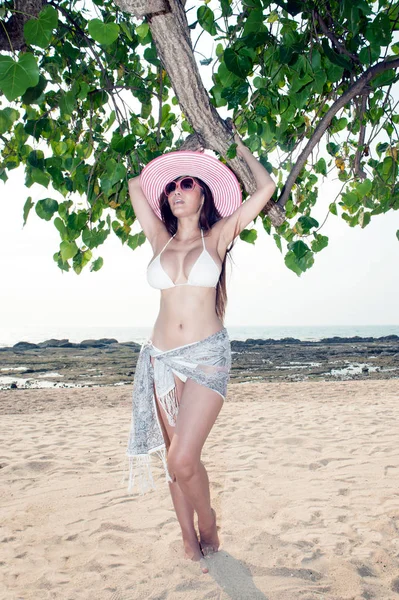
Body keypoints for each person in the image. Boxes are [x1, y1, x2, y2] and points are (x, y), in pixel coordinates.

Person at [126, 132, 276, 573]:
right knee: (176, 462)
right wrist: (174, 159)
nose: (175, 191)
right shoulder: (159, 238)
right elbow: (138, 185)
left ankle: (208, 524)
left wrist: (234, 146)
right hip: (160, 360)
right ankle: (189, 540)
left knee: (181, 458)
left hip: (207, 357)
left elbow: (264, 189)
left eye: (186, 183)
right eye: (171, 187)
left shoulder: (218, 237)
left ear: (205, 193)